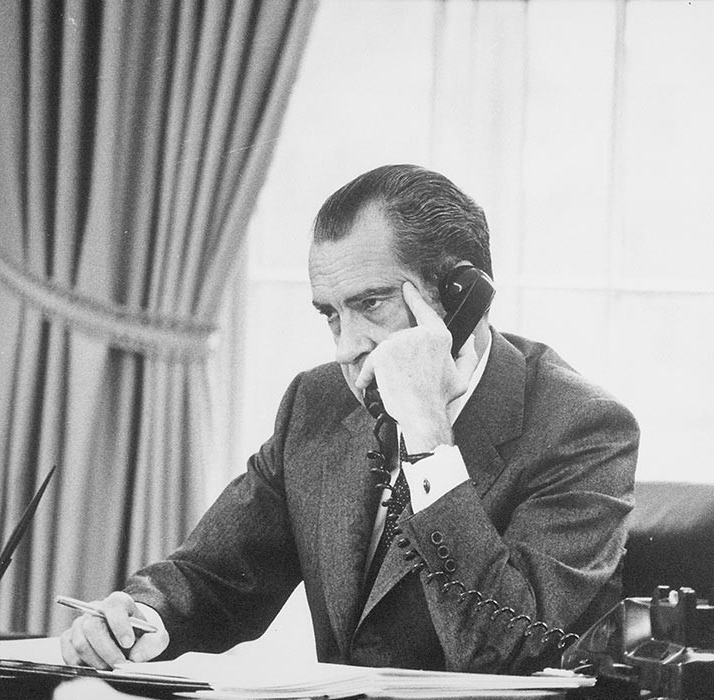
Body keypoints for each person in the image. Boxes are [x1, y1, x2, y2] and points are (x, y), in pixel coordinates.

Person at [60, 164, 639, 674]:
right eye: (331, 315)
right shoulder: (317, 403)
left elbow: (503, 650)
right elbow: (216, 578)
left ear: (462, 296)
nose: (347, 347)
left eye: (371, 304)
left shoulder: (582, 429)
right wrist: (140, 616)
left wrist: (429, 438)